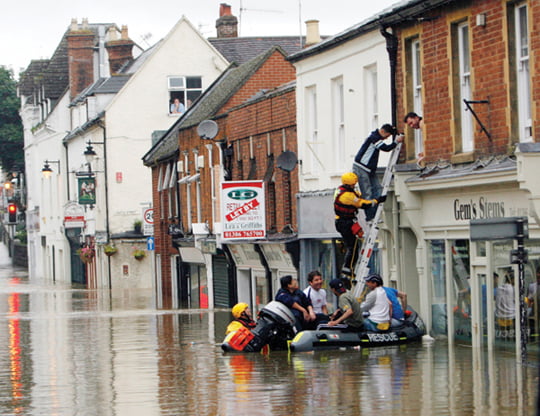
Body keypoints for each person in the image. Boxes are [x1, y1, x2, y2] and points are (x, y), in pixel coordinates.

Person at [334, 172, 383, 279]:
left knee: (353, 246)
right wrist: (376, 201)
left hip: (344, 221)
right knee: (353, 247)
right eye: (352, 185)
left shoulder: (341, 190)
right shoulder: (347, 196)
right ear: (347, 184)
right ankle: (347, 270)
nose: (353, 186)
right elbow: (363, 204)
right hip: (345, 223)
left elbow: (357, 196)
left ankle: (348, 268)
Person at [352, 124, 403, 222]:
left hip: (369, 169)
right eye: (387, 136)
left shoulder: (375, 137)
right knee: (367, 193)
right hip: (361, 168)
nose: (386, 139)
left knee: (378, 190)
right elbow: (386, 148)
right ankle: (370, 216)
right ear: (383, 132)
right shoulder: (374, 138)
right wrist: (396, 141)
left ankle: (374, 214)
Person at [495, 268, 515, 332]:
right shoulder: (513, 289)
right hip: (512, 317)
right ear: (512, 279)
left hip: (500, 318)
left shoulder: (499, 288)